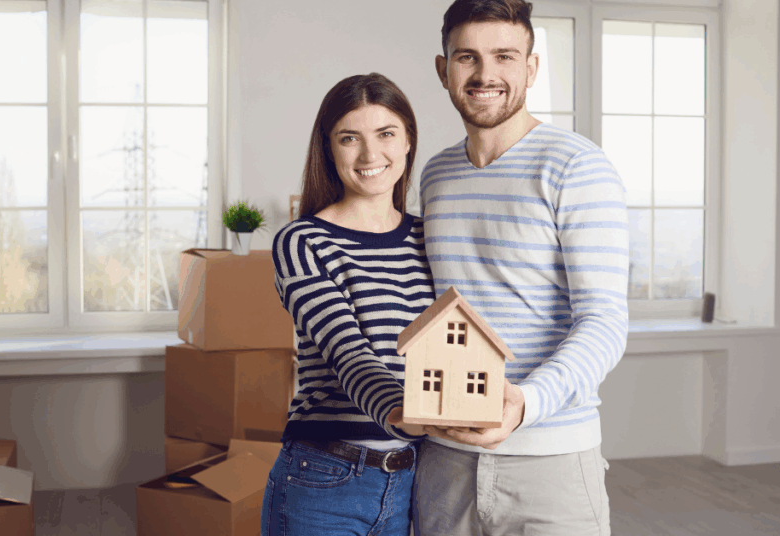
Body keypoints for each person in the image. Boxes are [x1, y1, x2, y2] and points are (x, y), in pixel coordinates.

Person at [413, 0, 629, 535]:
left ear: (531, 68)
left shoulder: (577, 166)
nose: (486, 75)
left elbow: (604, 321)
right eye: (468, 57)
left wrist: (526, 404)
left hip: (551, 460)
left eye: (505, 56)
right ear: (444, 70)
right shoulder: (436, 175)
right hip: (444, 462)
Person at [261, 72, 434, 536]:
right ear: (328, 148)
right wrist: (402, 415)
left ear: (409, 141)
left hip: (412, 479)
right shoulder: (302, 241)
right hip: (322, 480)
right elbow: (348, 354)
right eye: (349, 138)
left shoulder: (430, 238)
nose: (370, 154)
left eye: (386, 134)